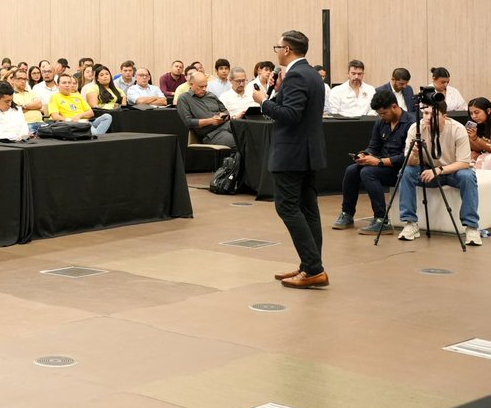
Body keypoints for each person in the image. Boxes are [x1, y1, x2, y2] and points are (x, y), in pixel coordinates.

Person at [252, 30, 328, 289]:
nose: (276, 52)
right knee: (308, 209)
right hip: (308, 152)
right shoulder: (312, 74)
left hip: (292, 153)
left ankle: (314, 269)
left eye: (278, 47)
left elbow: (290, 115)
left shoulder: (296, 75)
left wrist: (263, 101)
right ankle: (310, 265)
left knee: (287, 207)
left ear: (286, 50)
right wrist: (277, 91)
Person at [396, 95, 480, 245]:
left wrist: (439, 170)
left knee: (468, 176)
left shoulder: (457, 129)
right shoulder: (416, 128)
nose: (428, 118)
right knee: (406, 172)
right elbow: (409, 162)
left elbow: (464, 163)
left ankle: (471, 227)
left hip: (452, 171)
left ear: (444, 116)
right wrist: (414, 154)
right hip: (428, 171)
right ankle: (410, 223)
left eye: (433, 114)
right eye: (425, 113)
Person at [332, 89, 409, 236]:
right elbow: (374, 146)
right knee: (351, 170)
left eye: (383, 113)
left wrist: (379, 162)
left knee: (368, 172)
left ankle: (381, 219)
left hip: (399, 168)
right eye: (379, 114)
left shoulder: (411, 123)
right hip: (381, 165)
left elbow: (407, 156)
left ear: (394, 107)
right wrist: (365, 155)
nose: (382, 117)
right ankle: (347, 213)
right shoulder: (381, 123)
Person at [175, 71, 236, 147]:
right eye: (201, 86)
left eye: (205, 86)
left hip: (227, 124)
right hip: (212, 134)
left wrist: (224, 115)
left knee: (247, 133)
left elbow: (225, 111)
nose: (204, 89)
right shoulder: (184, 98)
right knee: (240, 142)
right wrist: (211, 121)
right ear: (191, 84)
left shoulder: (211, 95)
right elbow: (188, 122)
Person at [48, 73, 113, 135]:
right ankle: (95, 135)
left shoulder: (77, 96)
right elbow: (55, 116)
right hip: (71, 125)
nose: (67, 85)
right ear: (58, 85)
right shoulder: (54, 97)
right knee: (94, 132)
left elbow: (91, 113)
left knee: (107, 117)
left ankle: (95, 135)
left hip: (86, 122)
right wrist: (70, 120)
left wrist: (79, 116)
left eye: (69, 83)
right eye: (64, 83)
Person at [466, 97, 491, 170]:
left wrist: (476, 139)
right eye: (471, 113)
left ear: (488, 111)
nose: (473, 116)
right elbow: (478, 149)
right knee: (472, 155)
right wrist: (471, 137)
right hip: (485, 154)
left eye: (476, 112)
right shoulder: (478, 125)